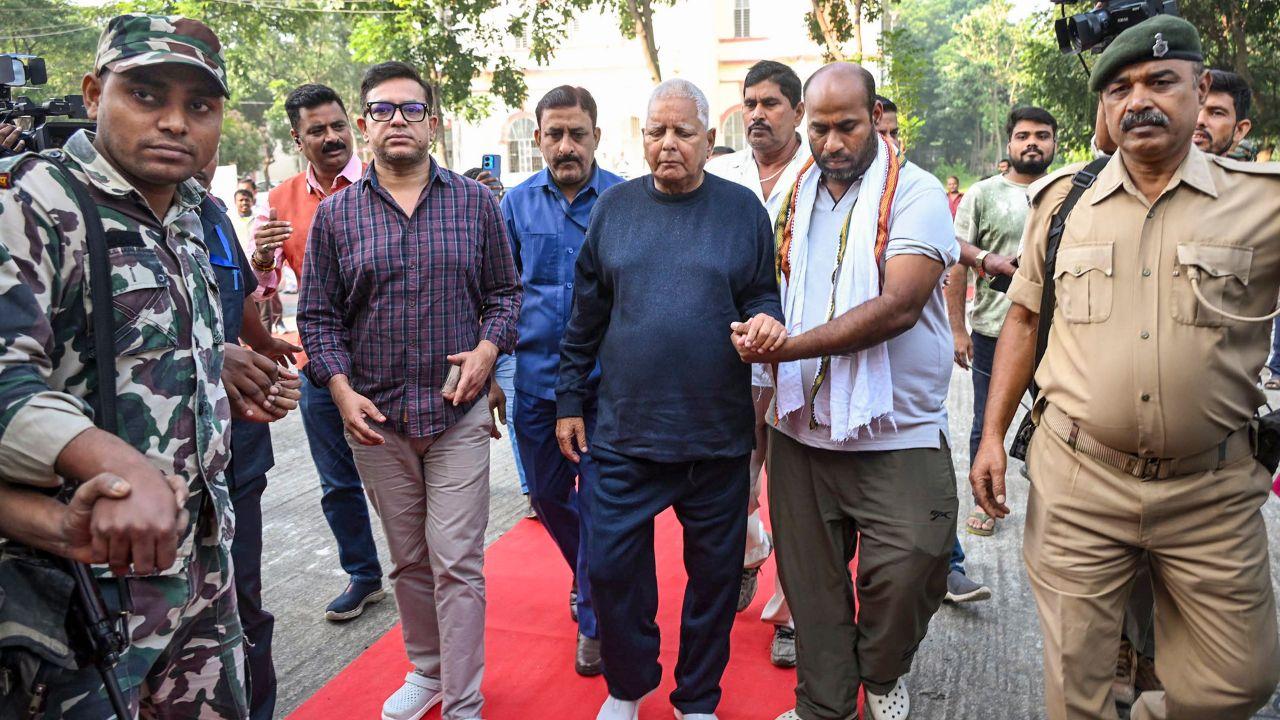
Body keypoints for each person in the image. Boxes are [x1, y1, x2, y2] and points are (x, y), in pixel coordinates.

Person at [969, 16, 1280, 720]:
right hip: (1081, 482)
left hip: (1213, 491)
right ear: (1104, 112)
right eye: (1120, 88)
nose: (1140, 99)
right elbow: (1021, 318)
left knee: (1242, 680)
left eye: (1161, 82)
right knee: (1078, 686)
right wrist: (990, 436)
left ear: (1201, 92)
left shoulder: (1264, 203)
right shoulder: (1058, 204)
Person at [0, 14, 288, 717]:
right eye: (147, 95)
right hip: (83, 596)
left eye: (199, 105)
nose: (173, 123)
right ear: (95, 94)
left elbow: (116, 332)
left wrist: (210, 361)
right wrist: (119, 464)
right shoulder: (36, 203)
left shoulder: (188, 211)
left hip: (200, 574)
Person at [733, 63, 959, 720]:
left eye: (848, 126)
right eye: (821, 127)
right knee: (814, 594)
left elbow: (899, 306)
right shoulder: (789, 202)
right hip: (800, 429)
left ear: (876, 118)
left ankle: (883, 672)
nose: (832, 142)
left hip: (897, 428)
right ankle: (824, 708)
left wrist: (791, 348)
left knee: (917, 559)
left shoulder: (913, 192)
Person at [298, 61, 521, 720]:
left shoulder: (477, 204)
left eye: (411, 109)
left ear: (433, 121)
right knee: (408, 561)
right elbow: (316, 318)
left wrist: (487, 350)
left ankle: (464, 701)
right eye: (383, 110)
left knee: (457, 561)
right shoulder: (337, 217)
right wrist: (337, 389)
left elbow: (507, 295)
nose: (398, 120)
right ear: (365, 124)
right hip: (375, 419)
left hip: (455, 414)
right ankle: (426, 669)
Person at [557, 78, 784, 720]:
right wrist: (568, 399)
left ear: (710, 141)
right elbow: (586, 315)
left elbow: (762, 295)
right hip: (625, 434)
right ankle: (629, 688)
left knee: (713, 581)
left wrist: (766, 320)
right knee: (612, 570)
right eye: (656, 131)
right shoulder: (615, 209)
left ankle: (697, 699)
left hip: (716, 437)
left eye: (683, 132)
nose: (668, 144)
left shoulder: (742, 212)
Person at [250, 82, 388, 622]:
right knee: (337, 481)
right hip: (320, 364)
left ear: (352, 126)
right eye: (316, 131)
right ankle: (363, 574)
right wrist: (262, 259)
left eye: (337, 126)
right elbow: (263, 288)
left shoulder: (388, 180)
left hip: (391, 360)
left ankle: (423, 569)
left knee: (409, 474)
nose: (330, 138)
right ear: (297, 137)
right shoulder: (281, 200)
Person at [501, 85, 624, 677]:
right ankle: (586, 570)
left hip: (607, 390)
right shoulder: (514, 205)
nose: (566, 144)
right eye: (555, 133)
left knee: (601, 505)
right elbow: (498, 294)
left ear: (597, 135)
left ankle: (595, 624)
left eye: (578, 132)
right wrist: (494, 367)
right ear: (539, 139)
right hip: (536, 385)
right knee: (548, 497)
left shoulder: (629, 200)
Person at [705, 58, 811, 668]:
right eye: (749, 103)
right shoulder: (722, 173)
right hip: (735, 356)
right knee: (736, 482)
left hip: (803, 357)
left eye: (770, 103)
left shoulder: (822, 170)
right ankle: (750, 546)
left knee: (796, 493)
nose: (756, 115)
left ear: (796, 110)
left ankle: (793, 610)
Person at [194, 154, 304, 720]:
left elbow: (238, 303)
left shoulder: (210, 213)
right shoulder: (79, 217)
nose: (182, 129)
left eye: (202, 109)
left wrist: (264, 343)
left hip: (236, 452)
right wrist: (214, 361)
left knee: (243, 597)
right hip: (150, 476)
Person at [948, 105, 1057, 547]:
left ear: (1054, 143)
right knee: (986, 422)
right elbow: (954, 254)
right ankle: (985, 499)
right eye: (1024, 135)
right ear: (1009, 144)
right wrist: (958, 328)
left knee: (1059, 423)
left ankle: (1058, 505)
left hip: (1057, 335)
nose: (1033, 142)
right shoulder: (983, 194)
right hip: (993, 331)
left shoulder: (1070, 192)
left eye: (1042, 135)